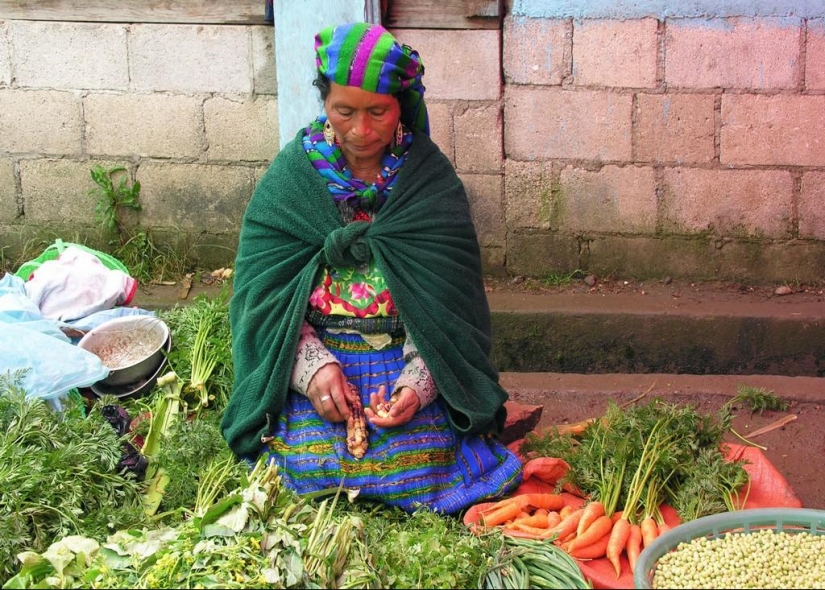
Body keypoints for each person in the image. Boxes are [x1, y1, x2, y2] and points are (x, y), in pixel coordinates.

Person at [221, 22, 523, 514]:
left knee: (420, 460)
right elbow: (263, 297)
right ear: (324, 102)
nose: (361, 131)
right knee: (305, 462)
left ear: (401, 104)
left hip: (406, 355)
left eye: (378, 112)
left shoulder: (427, 179)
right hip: (320, 352)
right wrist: (312, 368)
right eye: (344, 111)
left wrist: (419, 383)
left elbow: (452, 307)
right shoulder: (292, 179)